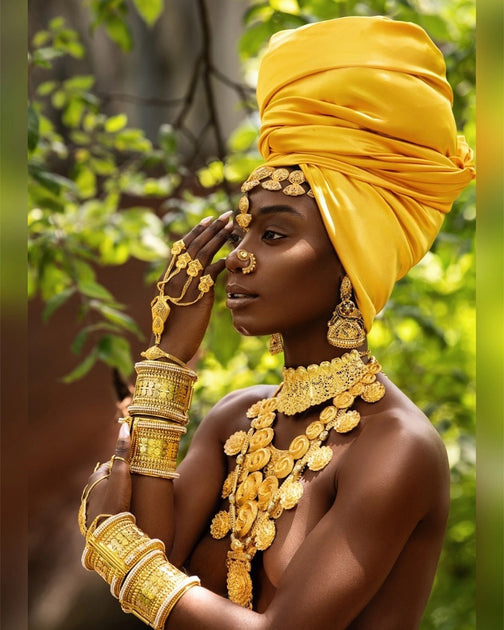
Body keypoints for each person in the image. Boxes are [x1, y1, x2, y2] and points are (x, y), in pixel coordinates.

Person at [78, 15, 475, 630]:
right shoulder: (235, 418)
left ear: (352, 262)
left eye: (274, 234)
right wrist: (168, 362)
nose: (238, 257)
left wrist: (116, 549)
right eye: (242, 233)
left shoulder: (396, 448)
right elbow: (162, 559)